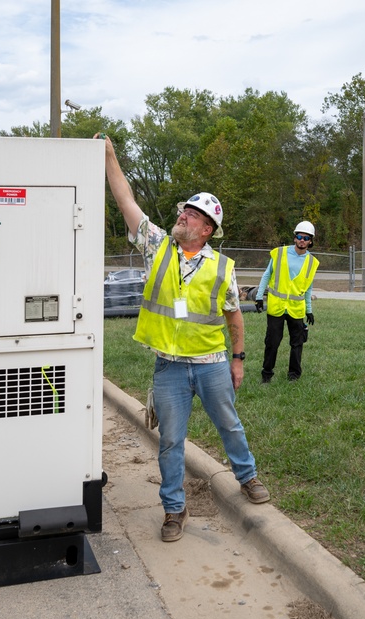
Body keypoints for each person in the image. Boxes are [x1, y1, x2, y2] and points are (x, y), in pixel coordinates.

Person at [97, 133, 270, 544]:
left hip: (211, 364)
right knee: (171, 441)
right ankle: (174, 509)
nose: (183, 217)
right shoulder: (158, 245)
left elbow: (234, 318)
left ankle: (247, 477)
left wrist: (239, 359)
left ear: (207, 229)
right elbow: (127, 203)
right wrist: (110, 156)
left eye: (192, 215)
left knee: (230, 425)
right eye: (184, 211)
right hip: (170, 369)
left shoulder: (222, 267)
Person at [254, 221, 320, 383]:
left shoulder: (312, 263)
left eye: (306, 238)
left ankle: (294, 375)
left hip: (296, 309)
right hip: (276, 307)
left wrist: (309, 310)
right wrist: (258, 296)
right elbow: (266, 275)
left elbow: (308, 288)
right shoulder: (280, 253)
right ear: (294, 238)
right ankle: (267, 375)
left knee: (297, 344)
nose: (302, 240)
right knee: (272, 343)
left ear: (310, 241)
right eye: (299, 236)